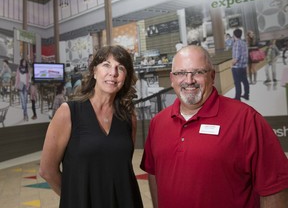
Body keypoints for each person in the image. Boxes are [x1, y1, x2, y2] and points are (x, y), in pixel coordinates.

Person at [140, 45, 288, 208]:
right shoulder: (158, 123)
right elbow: (153, 173)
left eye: (198, 72)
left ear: (212, 76)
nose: (189, 80)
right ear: (172, 78)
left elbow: (275, 188)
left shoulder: (245, 119)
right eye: (181, 73)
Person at [39, 45, 143, 208]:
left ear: (126, 77)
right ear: (94, 71)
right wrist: (76, 198)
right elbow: (47, 171)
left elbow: (121, 168)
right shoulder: (68, 112)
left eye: (120, 68)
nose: (113, 73)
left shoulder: (129, 117)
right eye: (106, 65)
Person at [232, 28, 250, 101]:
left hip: (237, 67)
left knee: (237, 83)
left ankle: (237, 97)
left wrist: (232, 64)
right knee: (245, 81)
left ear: (234, 35)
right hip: (243, 66)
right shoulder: (244, 43)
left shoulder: (236, 43)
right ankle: (246, 94)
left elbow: (236, 57)